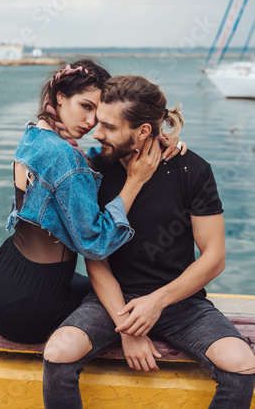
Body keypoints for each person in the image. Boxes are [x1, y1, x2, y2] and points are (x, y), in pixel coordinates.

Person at [43, 75, 255, 409]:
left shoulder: (192, 170)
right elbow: (96, 261)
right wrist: (128, 328)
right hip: (112, 302)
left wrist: (156, 302)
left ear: (143, 131)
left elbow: (214, 258)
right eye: (98, 122)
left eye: (110, 128)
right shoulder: (94, 170)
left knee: (241, 363)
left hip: (180, 303)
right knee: (58, 352)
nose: (96, 134)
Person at [0, 60, 182, 344]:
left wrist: (144, 141)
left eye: (97, 114)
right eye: (85, 106)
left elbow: (77, 170)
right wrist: (135, 180)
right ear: (60, 96)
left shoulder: (35, 135)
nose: (90, 122)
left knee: (107, 291)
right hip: (31, 307)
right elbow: (95, 243)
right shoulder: (65, 157)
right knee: (132, 300)